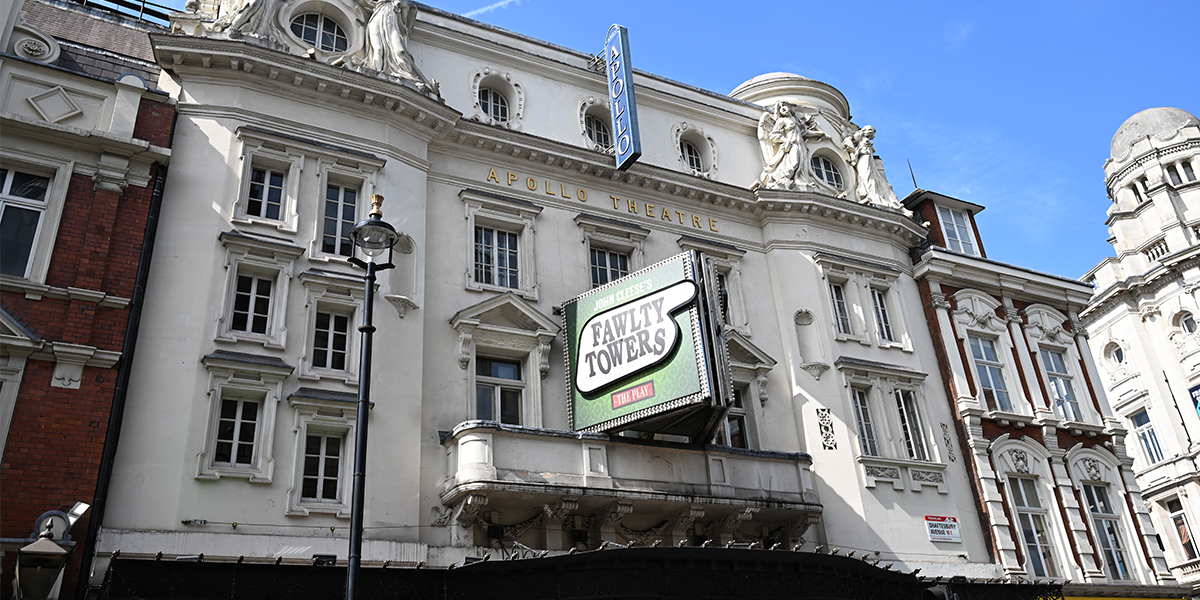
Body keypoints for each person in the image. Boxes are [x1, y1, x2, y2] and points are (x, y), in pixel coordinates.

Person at [754, 102, 827, 190]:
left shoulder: (796, 120)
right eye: (780, 107)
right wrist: (785, 140)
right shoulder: (781, 120)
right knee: (794, 162)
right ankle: (783, 179)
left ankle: (802, 181)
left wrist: (819, 133)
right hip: (792, 144)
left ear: (789, 107)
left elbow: (805, 132)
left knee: (802, 166)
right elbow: (773, 135)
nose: (783, 108)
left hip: (801, 145)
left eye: (784, 105)